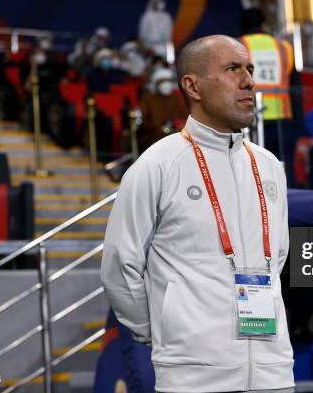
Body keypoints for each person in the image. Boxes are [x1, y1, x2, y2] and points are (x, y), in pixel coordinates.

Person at [101, 35, 294, 393]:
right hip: (193, 377)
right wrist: (167, 333)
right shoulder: (158, 165)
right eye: (233, 68)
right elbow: (118, 264)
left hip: (274, 372)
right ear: (193, 86)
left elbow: (276, 258)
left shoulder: (269, 166)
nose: (249, 80)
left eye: (249, 69)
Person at [240, 7, 298, 185]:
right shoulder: (284, 47)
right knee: (284, 168)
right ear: (263, 23)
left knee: (254, 171)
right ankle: (290, 207)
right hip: (283, 115)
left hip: (252, 117)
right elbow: (294, 81)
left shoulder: (237, 46)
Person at [137, 68, 188, 152]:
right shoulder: (149, 100)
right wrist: (157, 128)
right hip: (154, 137)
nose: (166, 84)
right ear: (156, 84)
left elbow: (184, 118)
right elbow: (142, 121)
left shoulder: (177, 99)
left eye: (168, 81)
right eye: (162, 81)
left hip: (175, 134)